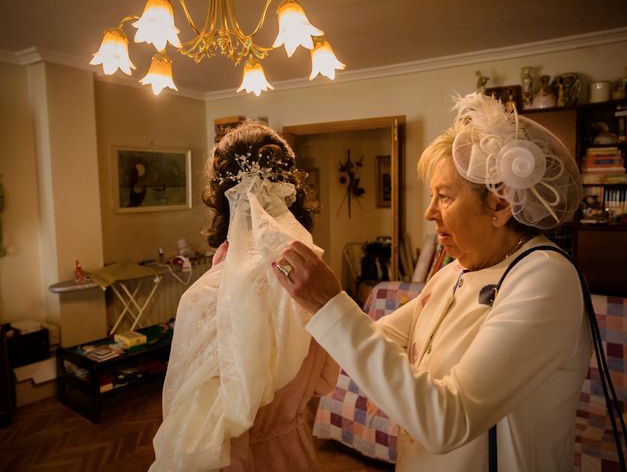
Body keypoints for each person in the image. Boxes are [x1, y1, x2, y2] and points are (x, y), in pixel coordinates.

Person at [273, 92, 591, 471]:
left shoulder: (546, 279)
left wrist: (330, 303)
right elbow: (379, 337)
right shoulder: (454, 272)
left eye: (444, 196)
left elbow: (445, 421)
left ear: (500, 205)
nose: (429, 213)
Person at [150, 121, 338, 472]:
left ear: (223, 200)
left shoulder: (204, 298)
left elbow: (197, 433)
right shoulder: (317, 280)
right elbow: (325, 381)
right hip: (297, 452)